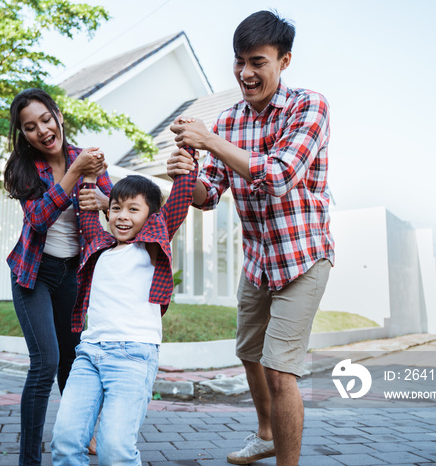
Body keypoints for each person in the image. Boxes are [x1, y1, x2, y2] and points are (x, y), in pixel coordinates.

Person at [167, 10, 334, 466]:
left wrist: (209, 142)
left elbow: (279, 175)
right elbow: (208, 194)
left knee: (281, 371)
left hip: (303, 256)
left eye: (257, 61)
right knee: (248, 351)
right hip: (258, 259)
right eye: (239, 61)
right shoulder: (227, 122)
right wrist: (189, 175)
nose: (245, 73)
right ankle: (265, 434)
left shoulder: (309, 106)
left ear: (284, 60)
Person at [50, 145, 198, 465]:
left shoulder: (151, 247)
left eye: (134, 209)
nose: (122, 216)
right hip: (89, 354)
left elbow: (180, 198)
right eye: (116, 208)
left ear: (150, 217)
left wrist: (188, 153)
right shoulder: (98, 247)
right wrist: (90, 175)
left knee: (114, 450)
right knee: (65, 442)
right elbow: (89, 205)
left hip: (133, 357)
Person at [4, 88, 112, 466]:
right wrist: (75, 174)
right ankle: (29, 460)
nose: (42, 131)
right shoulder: (23, 168)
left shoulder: (88, 160)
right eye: (30, 127)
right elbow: (38, 218)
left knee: (72, 363)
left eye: (46, 120)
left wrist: (103, 201)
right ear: (24, 134)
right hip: (33, 275)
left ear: (59, 115)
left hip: (71, 274)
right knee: (45, 363)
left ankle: (82, 436)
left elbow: (116, 212)